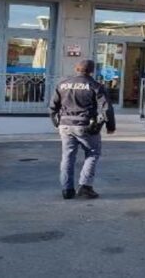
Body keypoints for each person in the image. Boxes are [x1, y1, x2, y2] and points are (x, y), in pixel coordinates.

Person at [49, 59, 116, 200]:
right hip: (86, 125)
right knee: (92, 153)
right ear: (92, 71)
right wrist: (110, 126)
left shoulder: (62, 84)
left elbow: (53, 107)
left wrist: (56, 122)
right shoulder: (95, 86)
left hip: (65, 125)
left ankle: (67, 190)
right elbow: (106, 108)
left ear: (76, 69)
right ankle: (85, 187)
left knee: (67, 156)